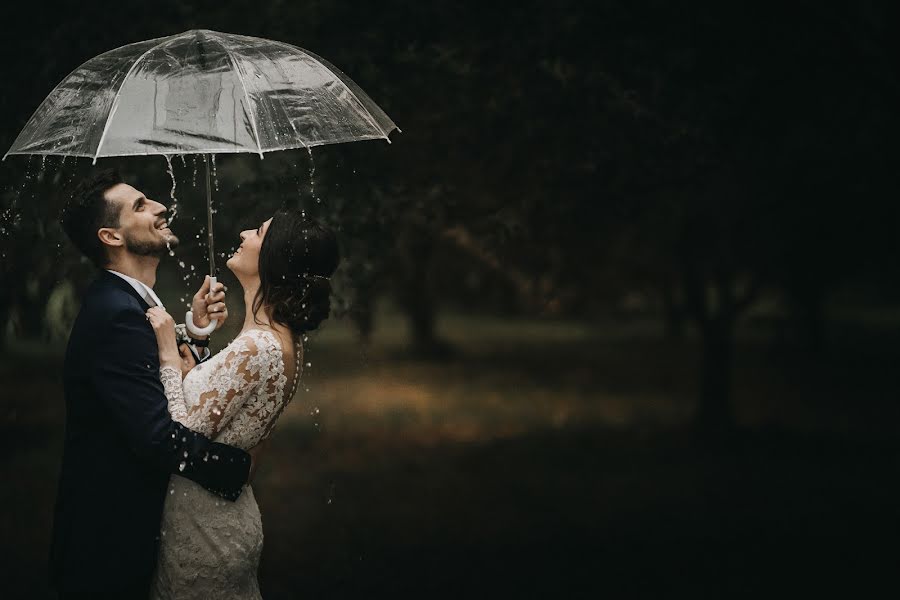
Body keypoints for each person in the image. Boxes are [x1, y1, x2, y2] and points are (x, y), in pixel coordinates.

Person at [52, 169, 259, 599]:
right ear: (111, 236)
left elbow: (161, 390)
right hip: (110, 543)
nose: (161, 207)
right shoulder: (117, 314)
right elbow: (155, 436)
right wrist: (234, 466)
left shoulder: (129, 300)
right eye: (141, 206)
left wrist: (196, 334)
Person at [145, 208, 338, 599]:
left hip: (203, 529)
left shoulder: (258, 346)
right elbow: (220, 415)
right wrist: (197, 337)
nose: (246, 231)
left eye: (260, 232)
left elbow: (182, 439)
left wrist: (169, 354)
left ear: (274, 259)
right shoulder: (278, 339)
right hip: (223, 514)